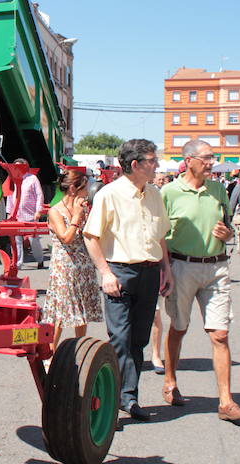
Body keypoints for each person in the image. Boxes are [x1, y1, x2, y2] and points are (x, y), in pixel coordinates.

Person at [160, 139, 240, 422]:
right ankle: (170, 380)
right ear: (189, 161)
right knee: (179, 328)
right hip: (181, 267)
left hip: (217, 268)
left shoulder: (218, 189)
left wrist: (228, 235)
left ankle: (226, 402)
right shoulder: (169, 192)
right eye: (207, 158)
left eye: (212, 158)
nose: (212, 163)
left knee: (220, 334)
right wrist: (165, 270)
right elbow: (160, 234)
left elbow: (228, 224)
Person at [83, 139, 172, 421]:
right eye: (152, 160)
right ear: (135, 165)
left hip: (149, 272)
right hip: (120, 272)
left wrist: (166, 269)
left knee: (139, 340)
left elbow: (160, 236)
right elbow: (91, 236)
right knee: (120, 339)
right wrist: (106, 273)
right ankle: (121, 399)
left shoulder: (155, 194)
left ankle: (127, 397)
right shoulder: (109, 194)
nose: (156, 165)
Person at [43, 168, 103, 352]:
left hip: (84, 265)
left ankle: (80, 350)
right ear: (72, 189)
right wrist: (77, 216)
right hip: (64, 266)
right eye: (85, 187)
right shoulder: (55, 211)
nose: (88, 192)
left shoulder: (85, 208)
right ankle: (50, 356)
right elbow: (66, 238)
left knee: (82, 311)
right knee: (60, 312)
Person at [7, 158, 45, 269]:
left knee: (34, 240)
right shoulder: (13, 179)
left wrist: (38, 210)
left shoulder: (32, 179)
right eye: (15, 166)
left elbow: (39, 195)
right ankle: (18, 263)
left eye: (20, 166)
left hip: (31, 215)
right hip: (17, 215)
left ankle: (40, 260)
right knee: (17, 240)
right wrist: (10, 213)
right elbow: (10, 196)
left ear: (25, 166)